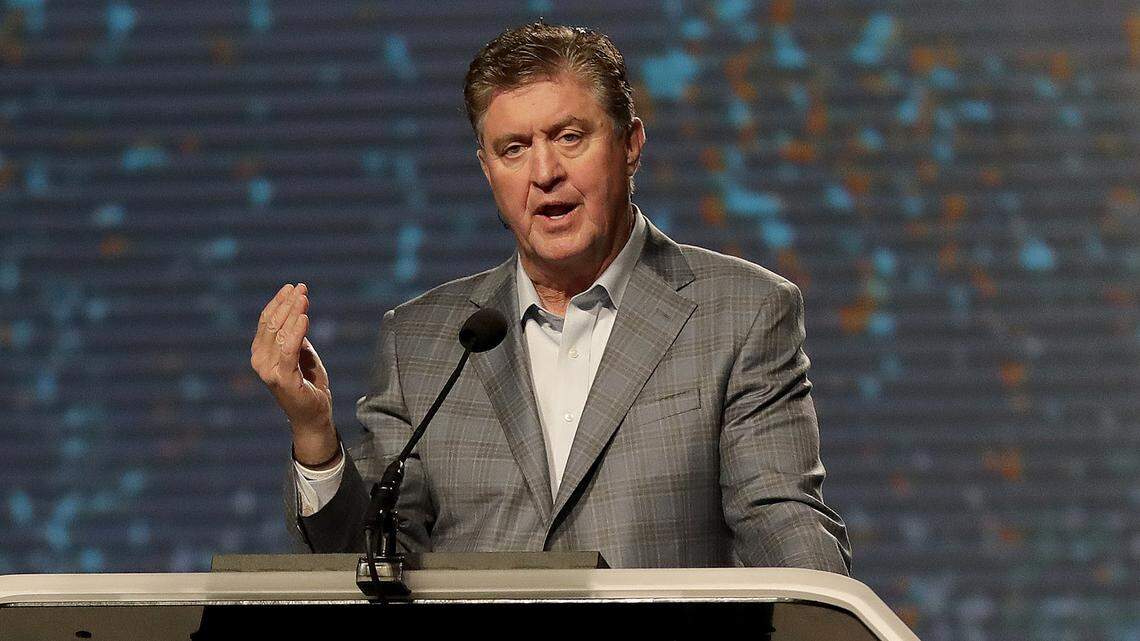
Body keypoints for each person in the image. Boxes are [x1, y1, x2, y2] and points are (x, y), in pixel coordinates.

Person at [250, 22, 850, 572]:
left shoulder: (741, 314)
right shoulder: (422, 342)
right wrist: (315, 436)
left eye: (569, 137)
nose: (544, 172)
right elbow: (373, 563)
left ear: (631, 143)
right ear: (487, 169)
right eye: (513, 149)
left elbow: (784, 528)